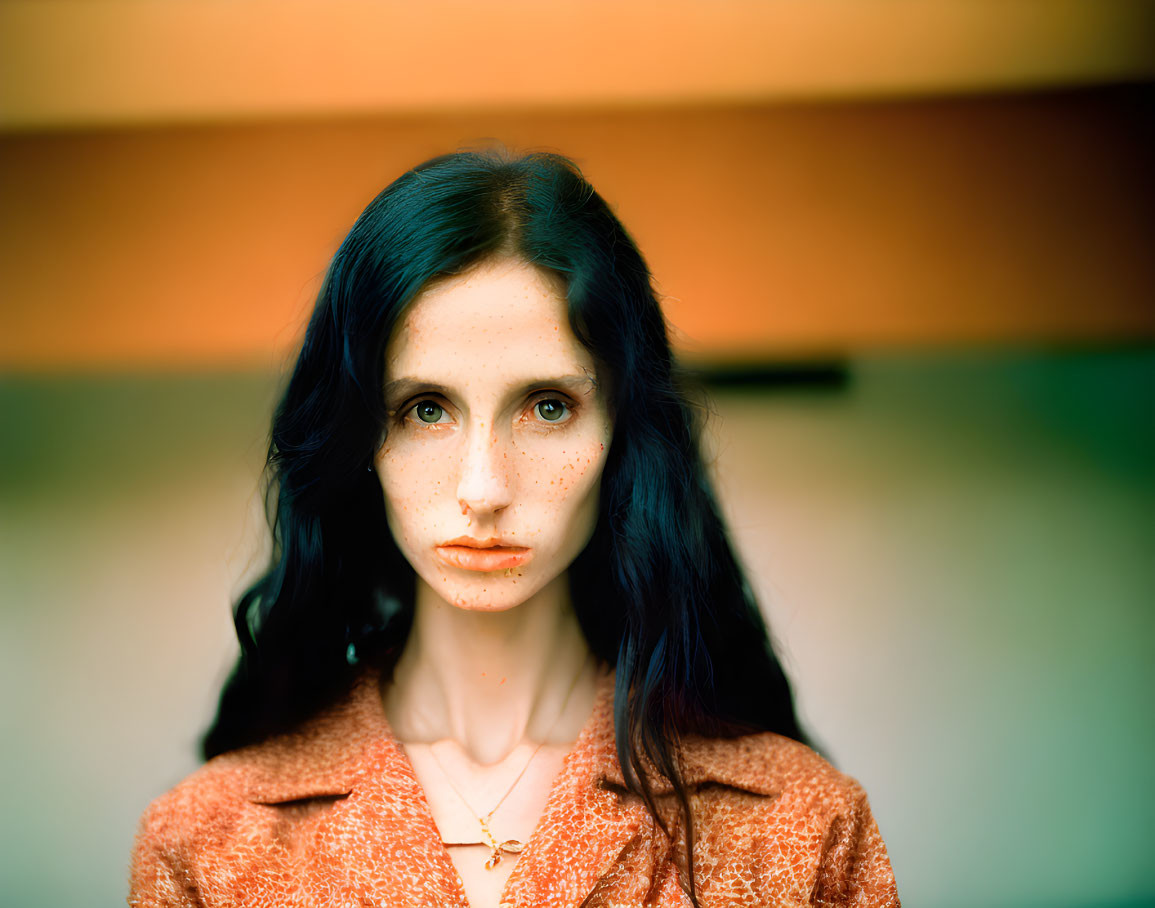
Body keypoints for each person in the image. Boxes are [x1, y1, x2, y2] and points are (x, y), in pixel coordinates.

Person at [129, 150, 899, 907]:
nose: (484, 488)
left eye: (547, 406)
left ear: (622, 437)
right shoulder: (206, 843)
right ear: (357, 439)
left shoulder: (801, 827)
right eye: (424, 409)